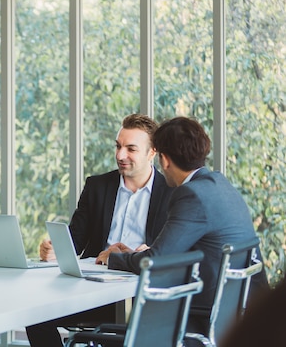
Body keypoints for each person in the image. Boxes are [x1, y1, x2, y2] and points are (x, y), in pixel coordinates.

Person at [96, 116, 269, 337]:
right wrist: (137, 254)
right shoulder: (220, 185)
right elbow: (169, 253)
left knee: (122, 332)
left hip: (203, 319)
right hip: (243, 315)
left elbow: (156, 260)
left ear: (165, 160)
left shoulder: (191, 195)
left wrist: (113, 258)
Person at [26, 113, 174, 347]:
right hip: (93, 290)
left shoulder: (172, 192)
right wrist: (55, 250)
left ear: (152, 152)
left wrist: (133, 255)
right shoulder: (97, 186)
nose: (120, 155)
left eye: (131, 149)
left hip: (145, 294)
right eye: (118, 146)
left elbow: (172, 250)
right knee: (34, 315)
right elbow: (74, 240)